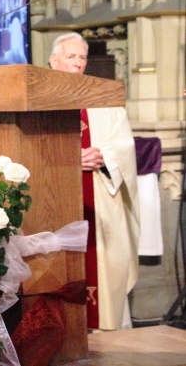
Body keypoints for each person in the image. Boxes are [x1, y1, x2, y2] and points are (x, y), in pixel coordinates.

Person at [49, 32, 139, 330]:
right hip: (56, 196)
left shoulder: (103, 96)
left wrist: (104, 155)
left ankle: (108, 329)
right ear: (54, 60)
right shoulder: (40, 97)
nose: (77, 64)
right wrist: (71, 158)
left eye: (82, 57)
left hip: (100, 192)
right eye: (70, 56)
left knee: (104, 263)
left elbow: (123, 143)